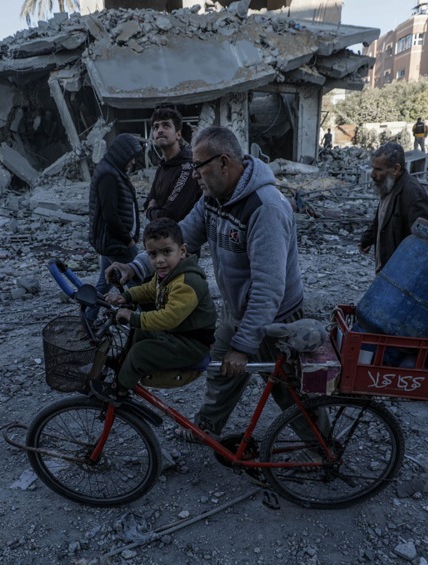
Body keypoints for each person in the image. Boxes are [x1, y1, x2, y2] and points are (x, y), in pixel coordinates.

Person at [108, 126, 305, 439]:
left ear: (223, 163)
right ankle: (208, 429)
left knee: (287, 391)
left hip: (274, 318)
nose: (193, 174)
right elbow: (180, 237)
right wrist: (134, 269)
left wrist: (243, 347)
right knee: (221, 373)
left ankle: (324, 451)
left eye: (198, 166)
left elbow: (269, 289)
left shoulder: (264, 208)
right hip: (236, 309)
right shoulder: (215, 198)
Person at [99, 218, 216, 401]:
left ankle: (119, 390)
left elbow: (169, 318)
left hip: (192, 344)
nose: (160, 260)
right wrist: (127, 297)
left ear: (182, 251)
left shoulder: (187, 283)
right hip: (178, 335)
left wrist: (134, 317)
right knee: (139, 334)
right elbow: (149, 289)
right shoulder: (167, 275)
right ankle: (123, 364)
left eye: (166, 252)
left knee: (140, 353)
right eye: (153, 254)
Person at [87, 133, 143, 323]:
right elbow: (110, 215)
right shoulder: (109, 176)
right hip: (116, 242)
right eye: (131, 157)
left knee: (104, 283)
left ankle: (87, 321)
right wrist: (128, 240)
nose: (133, 162)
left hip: (109, 241)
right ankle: (146, 325)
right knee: (138, 282)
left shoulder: (111, 171)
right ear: (122, 155)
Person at [359, 142, 428, 273]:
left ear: (396, 169)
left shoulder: (412, 194)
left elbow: (427, 241)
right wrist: (367, 239)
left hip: (401, 273)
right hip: (387, 269)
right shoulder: (388, 185)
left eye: (378, 169)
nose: (372, 174)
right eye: (373, 168)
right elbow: (382, 219)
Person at [143, 106, 201, 225]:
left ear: (178, 134)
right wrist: (152, 208)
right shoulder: (162, 167)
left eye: (166, 125)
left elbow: (169, 216)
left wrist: (150, 211)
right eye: (156, 127)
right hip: (162, 237)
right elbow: (148, 200)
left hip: (182, 240)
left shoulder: (187, 168)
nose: (160, 130)